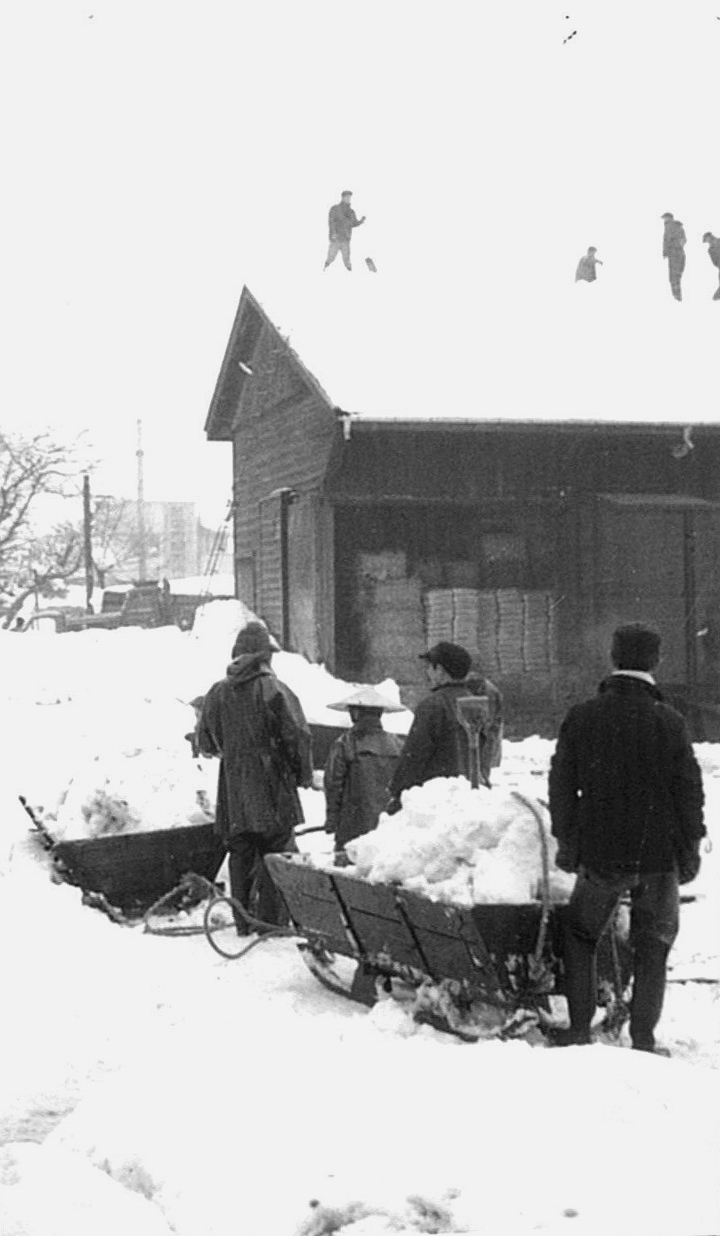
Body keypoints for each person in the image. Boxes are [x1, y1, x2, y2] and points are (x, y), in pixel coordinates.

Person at [548, 623, 705, 1052]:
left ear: (612, 657)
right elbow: (688, 789)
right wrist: (690, 846)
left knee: (580, 935)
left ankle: (580, 1029)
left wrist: (567, 841)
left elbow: (561, 784)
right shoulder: (669, 720)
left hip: (601, 855)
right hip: (658, 857)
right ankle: (643, 1040)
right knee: (653, 947)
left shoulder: (583, 715)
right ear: (657, 661)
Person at [196, 621, 313, 932]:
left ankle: (243, 923)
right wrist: (301, 775)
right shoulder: (274, 689)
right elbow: (298, 737)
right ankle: (271, 923)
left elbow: (205, 742)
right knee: (276, 853)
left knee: (241, 852)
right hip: (273, 787)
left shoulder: (218, 692)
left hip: (234, 789)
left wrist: (233, 755)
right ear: (265, 657)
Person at [387, 642, 503, 811]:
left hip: (437, 800)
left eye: (430, 668)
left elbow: (415, 755)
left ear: (440, 671)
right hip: (472, 794)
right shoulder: (477, 704)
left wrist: (397, 791)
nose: (428, 674)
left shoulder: (432, 706)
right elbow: (487, 749)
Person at [323, 687, 406, 852]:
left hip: (352, 826)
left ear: (355, 714)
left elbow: (333, 785)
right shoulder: (398, 745)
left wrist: (332, 819)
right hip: (387, 827)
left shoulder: (346, 743)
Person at [323, 190, 366, 272]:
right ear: (342, 197)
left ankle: (348, 267)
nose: (348, 198)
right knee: (331, 255)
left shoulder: (351, 212)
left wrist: (360, 221)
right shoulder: (335, 208)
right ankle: (327, 264)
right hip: (336, 238)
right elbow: (331, 221)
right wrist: (333, 233)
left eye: (350, 197)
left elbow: (353, 224)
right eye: (346, 197)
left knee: (346, 256)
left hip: (346, 238)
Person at [661, 212, 686, 301]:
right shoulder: (677, 226)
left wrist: (667, 251)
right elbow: (684, 240)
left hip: (675, 254)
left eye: (665, 218)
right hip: (678, 254)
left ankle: (677, 297)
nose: (664, 220)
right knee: (676, 276)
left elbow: (667, 240)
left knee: (674, 277)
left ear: (669, 218)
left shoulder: (669, 226)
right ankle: (677, 296)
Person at [702, 231, 720, 300]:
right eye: (706, 241)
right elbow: (714, 261)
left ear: (710, 236)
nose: (707, 242)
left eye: (707, 239)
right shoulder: (710, 250)